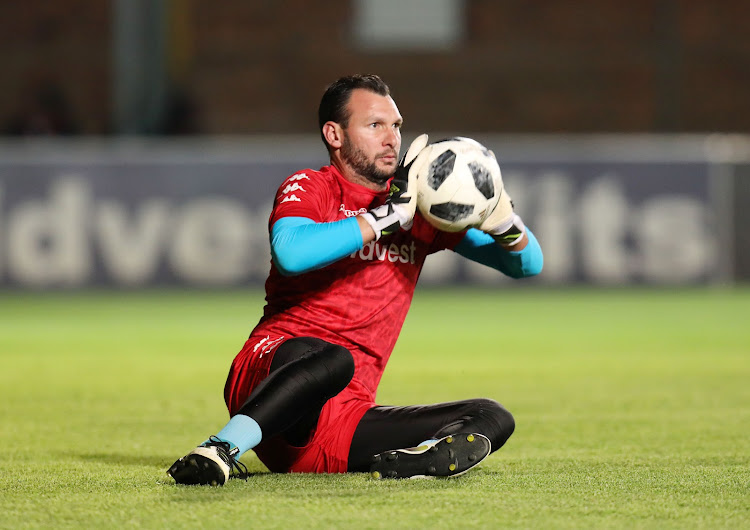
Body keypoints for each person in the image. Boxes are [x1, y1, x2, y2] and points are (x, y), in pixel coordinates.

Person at [167, 74, 543, 485]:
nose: (391, 139)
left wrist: (506, 223)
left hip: (342, 423)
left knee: (492, 416)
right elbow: (292, 253)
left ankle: (411, 462)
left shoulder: (418, 211)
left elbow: (527, 265)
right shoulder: (314, 186)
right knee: (333, 358)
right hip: (271, 375)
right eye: (375, 125)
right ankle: (220, 449)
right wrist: (383, 219)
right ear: (334, 134)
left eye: (396, 125)